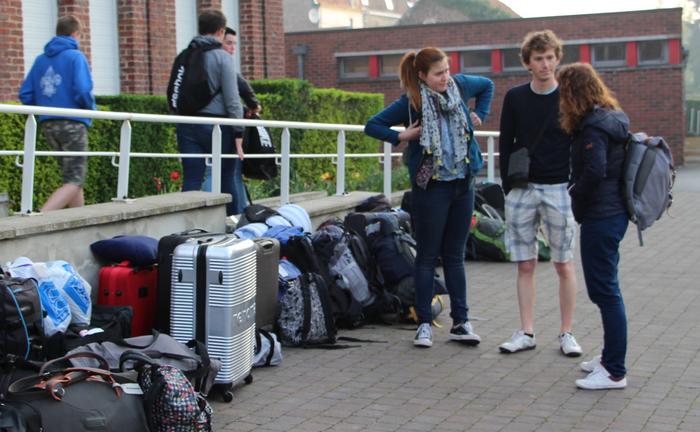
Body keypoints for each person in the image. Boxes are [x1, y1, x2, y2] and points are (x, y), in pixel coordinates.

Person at [365, 47, 494, 348]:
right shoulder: (411, 102)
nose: (446, 78)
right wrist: (402, 136)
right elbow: (372, 125)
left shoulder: (459, 86)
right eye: (439, 73)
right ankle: (424, 323)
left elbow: (488, 85)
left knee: (455, 256)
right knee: (426, 256)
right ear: (422, 75)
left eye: (447, 70)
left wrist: (480, 113)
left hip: (463, 183)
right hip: (431, 187)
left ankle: (461, 322)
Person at [497, 30, 581, 357]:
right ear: (528, 63)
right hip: (523, 188)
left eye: (550, 57)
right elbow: (506, 143)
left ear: (557, 58)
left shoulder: (570, 97)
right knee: (526, 264)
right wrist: (508, 186)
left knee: (564, 264)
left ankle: (567, 333)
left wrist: (576, 184)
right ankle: (526, 331)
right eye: (538, 58)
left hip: (560, 187)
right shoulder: (515, 97)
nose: (545, 64)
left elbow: (580, 141)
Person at [558, 62, 630, 390]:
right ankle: (608, 359)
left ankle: (614, 370)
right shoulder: (611, 118)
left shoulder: (593, 128)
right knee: (606, 290)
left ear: (573, 93)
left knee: (606, 292)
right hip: (613, 213)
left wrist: (574, 193)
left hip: (602, 215)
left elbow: (595, 170)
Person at [19, 15, 95, 212]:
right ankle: (40, 218)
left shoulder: (41, 60)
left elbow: (26, 94)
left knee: (71, 178)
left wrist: (45, 105)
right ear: (76, 34)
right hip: (73, 123)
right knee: (75, 179)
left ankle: (79, 223)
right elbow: (83, 90)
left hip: (48, 124)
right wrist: (90, 110)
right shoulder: (76, 57)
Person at [174, 10, 244, 216]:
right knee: (226, 177)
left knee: (192, 178)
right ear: (221, 31)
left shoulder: (184, 56)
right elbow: (233, 100)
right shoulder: (222, 58)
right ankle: (233, 223)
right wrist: (239, 132)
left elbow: (175, 92)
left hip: (186, 124)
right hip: (217, 126)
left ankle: (187, 226)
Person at [202, 26, 261, 196]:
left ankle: (232, 209)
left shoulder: (202, 61)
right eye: (228, 43)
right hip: (219, 124)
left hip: (208, 124)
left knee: (219, 170)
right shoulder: (219, 62)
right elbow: (240, 87)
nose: (232, 48)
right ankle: (229, 210)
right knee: (221, 170)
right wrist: (253, 105)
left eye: (234, 44)